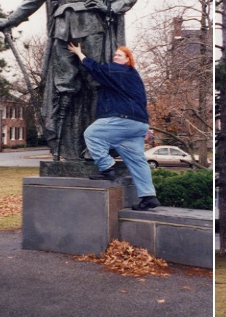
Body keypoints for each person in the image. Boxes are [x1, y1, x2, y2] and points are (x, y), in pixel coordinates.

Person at [0, 0, 137, 161]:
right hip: (62, 30)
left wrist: (109, 9)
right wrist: (11, 20)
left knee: (95, 85)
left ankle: (95, 145)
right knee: (64, 88)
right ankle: (61, 145)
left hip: (92, 27)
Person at [67, 42, 160, 211]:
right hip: (139, 124)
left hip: (123, 118)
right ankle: (149, 196)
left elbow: (96, 69)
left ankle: (107, 167)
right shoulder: (133, 76)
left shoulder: (119, 70)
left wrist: (79, 53)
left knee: (92, 134)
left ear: (127, 60)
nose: (116, 57)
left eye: (120, 55)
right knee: (137, 161)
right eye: (115, 54)